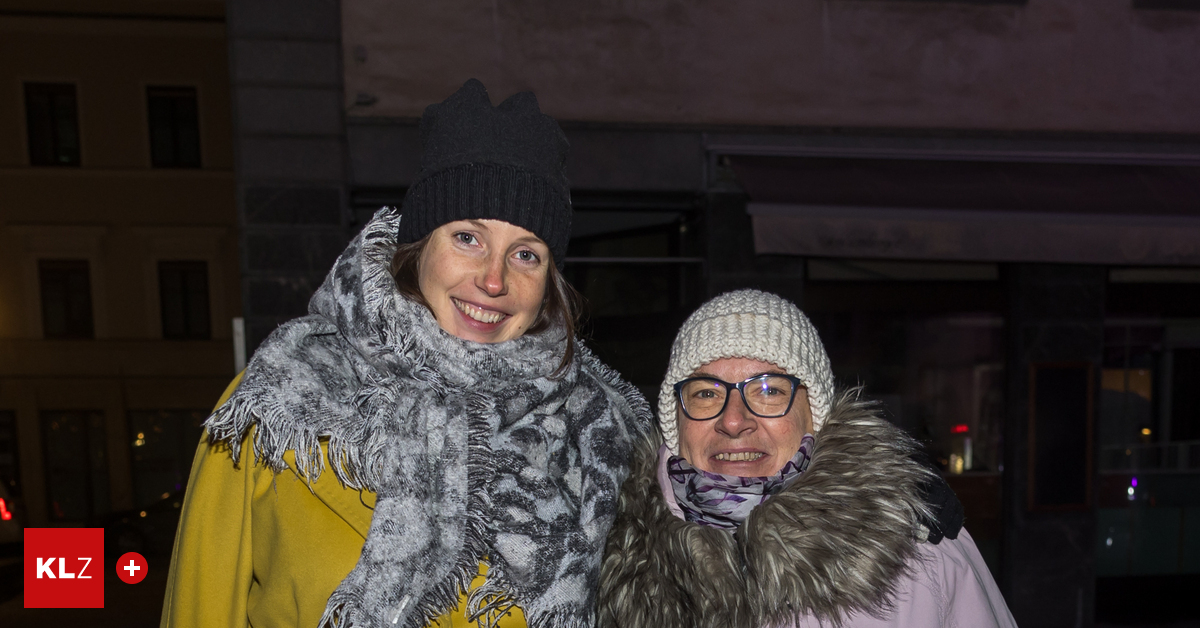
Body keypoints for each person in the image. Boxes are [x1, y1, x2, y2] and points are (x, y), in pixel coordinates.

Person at [161, 79, 650, 628]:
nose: (493, 279)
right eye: (467, 237)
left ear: (548, 286)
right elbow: (199, 607)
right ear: (417, 250)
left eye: (526, 254)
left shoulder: (602, 441)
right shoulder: (284, 399)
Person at [598, 289, 1016, 628]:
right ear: (677, 419)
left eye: (768, 390)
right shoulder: (612, 553)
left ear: (814, 414)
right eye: (706, 393)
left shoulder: (922, 557)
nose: (734, 420)